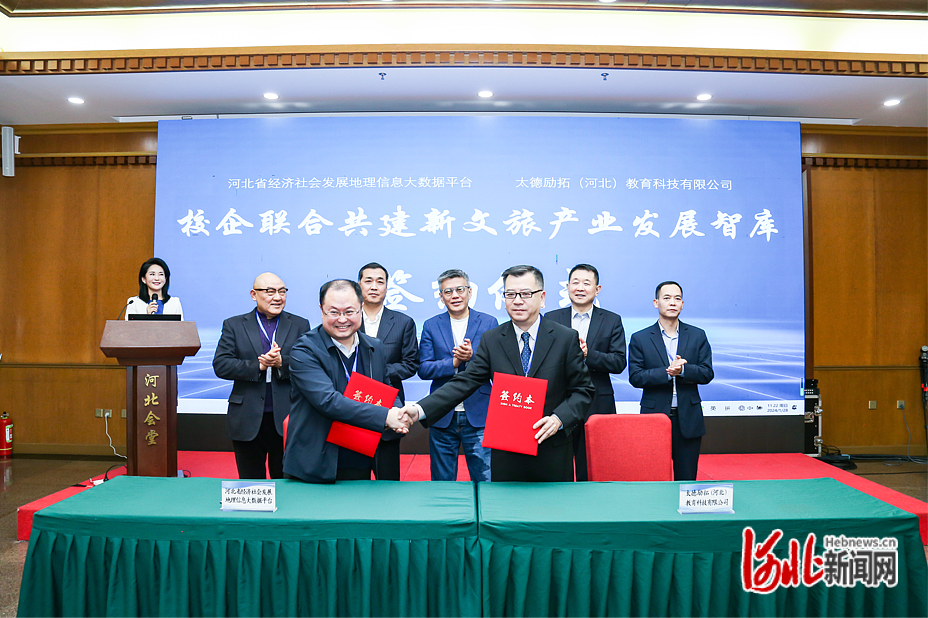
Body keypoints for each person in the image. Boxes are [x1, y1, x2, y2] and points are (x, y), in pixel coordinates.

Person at [402, 265, 595, 482]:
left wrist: (559, 419)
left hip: (552, 447)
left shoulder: (565, 338)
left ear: (542, 298)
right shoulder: (492, 339)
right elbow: (464, 382)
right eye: (510, 294)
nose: (517, 301)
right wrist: (419, 410)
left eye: (525, 294)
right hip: (506, 451)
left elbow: (583, 390)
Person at [284, 279, 410, 483]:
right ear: (321, 310)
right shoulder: (304, 350)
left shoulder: (374, 346)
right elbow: (328, 401)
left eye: (349, 311)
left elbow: (385, 387)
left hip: (359, 453)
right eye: (334, 312)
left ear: (361, 307)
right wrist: (386, 417)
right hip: (317, 459)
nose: (342, 319)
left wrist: (398, 412)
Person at [212, 273, 310, 479]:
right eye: (270, 291)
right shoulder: (234, 325)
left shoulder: (299, 324)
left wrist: (282, 363)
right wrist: (258, 365)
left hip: (287, 415)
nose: (277, 297)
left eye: (282, 291)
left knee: (286, 482)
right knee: (250, 483)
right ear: (253, 294)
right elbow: (221, 365)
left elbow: (308, 364)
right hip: (246, 415)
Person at [546, 263, 626, 481]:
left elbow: (619, 362)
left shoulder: (612, 320)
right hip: (559, 402)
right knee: (557, 463)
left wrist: (588, 355)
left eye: (586, 283)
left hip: (597, 403)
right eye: (575, 282)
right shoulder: (551, 319)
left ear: (597, 289)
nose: (580, 288)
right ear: (567, 286)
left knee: (593, 466)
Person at [628, 281, 714, 481]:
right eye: (666, 298)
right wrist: (667, 372)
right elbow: (636, 376)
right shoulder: (640, 338)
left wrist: (683, 371)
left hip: (688, 419)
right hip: (654, 417)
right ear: (656, 302)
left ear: (682, 304)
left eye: (677, 298)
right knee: (654, 478)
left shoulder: (697, 335)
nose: (672, 302)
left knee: (687, 479)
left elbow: (707, 373)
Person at [418, 269, 498, 482]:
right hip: (442, 413)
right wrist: (453, 363)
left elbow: (497, 367)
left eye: (460, 289)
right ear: (441, 296)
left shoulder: (489, 322)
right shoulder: (431, 325)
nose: (455, 295)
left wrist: (472, 358)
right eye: (448, 291)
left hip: (479, 413)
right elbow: (424, 369)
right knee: (442, 481)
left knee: (485, 479)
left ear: (469, 292)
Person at [357, 262, 419, 481]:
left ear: (387, 286)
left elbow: (410, 364)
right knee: (353, 478)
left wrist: (375, 372)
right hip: (353, 403)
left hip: (389, 404)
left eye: (380, 281)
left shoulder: (403, 322)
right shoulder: (347, 320)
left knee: (388, 478)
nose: (374, 286)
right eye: (368, 281)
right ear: (359, 285)